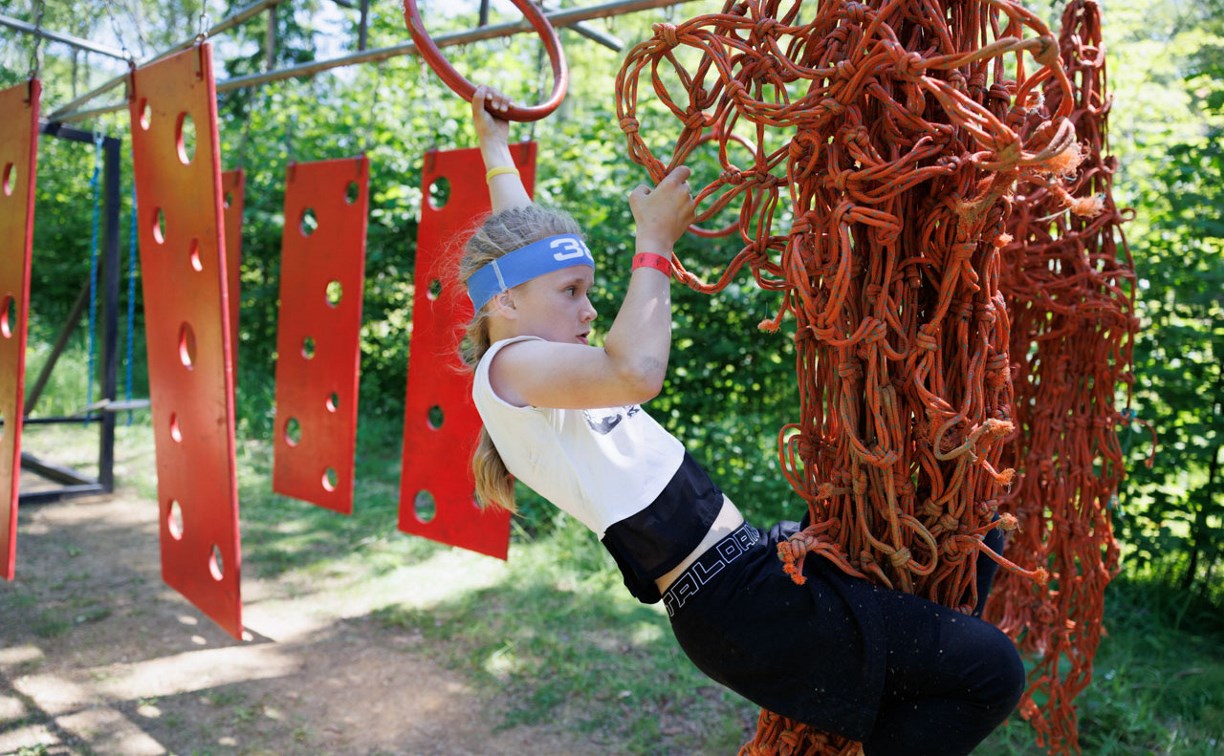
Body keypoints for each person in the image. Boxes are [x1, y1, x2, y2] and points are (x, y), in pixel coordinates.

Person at [455, 84, 1025, 755]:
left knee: (972, 544)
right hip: (737, 606)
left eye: (589, 292)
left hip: (752, 575)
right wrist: (652, 244)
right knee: (991, 672)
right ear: (508, 303)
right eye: (573, 293)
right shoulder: (507, 370)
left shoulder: (534, 352)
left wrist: (494, 145)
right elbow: (636, 369)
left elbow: (520, 257)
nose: (588, 311)